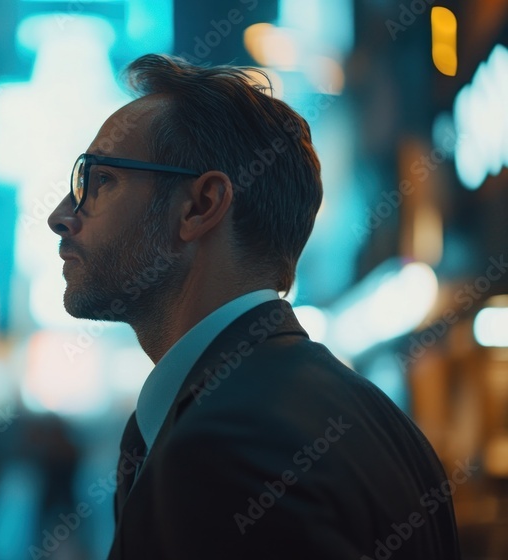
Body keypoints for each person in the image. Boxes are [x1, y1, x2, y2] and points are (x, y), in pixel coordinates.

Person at [46, 54, 461, 559]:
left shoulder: (219, 447)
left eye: (101, 180)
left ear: (200, 206)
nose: (62, 215)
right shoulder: (386, 425)